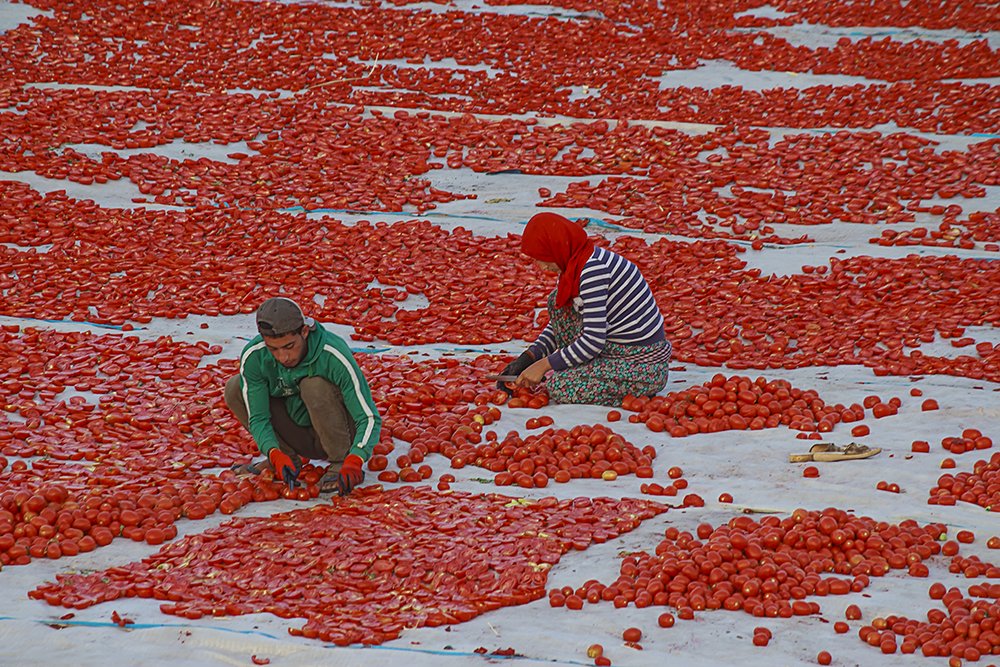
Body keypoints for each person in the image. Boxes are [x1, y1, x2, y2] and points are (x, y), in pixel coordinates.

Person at [498, 212, 671, 406]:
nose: (541, 265)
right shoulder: (576, 264)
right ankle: (592, 370)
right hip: (614, 349)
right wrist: (530, 357)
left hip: (642, 364)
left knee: (561, 386)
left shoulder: (592, 272)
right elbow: (560, 324)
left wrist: (544, 365)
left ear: (556, 248)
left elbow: (594, 340)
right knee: (557, 300)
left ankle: (633, 389)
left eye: (543, 257)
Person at [225, 297, 381, 495]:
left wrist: (356, 457)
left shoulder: (332, 353)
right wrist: (274, 452)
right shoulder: (255, 356)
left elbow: (368, 417)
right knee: (235, 388)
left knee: (313, 385)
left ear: (304, 332)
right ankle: (287, 460)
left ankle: (339, 461)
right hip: (298, 432)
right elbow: (258, 418)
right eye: (273, 349)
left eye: (289, 346)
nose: (283, 357)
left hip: (339, 432)